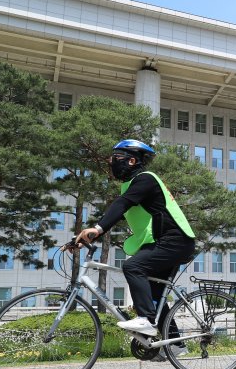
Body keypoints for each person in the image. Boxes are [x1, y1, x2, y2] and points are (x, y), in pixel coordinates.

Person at [75, 140, 196, 358]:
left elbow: (122, 205)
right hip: (164, 242)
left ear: (131, 160)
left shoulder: (146, 179)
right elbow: (119, 209)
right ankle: (177, 346)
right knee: (154, 296)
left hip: (176, 240)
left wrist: (98, 228)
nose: (111, 162)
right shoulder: (131, 186)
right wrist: (82, 238)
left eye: (116, 158)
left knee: (132, 266)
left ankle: (148, 321)